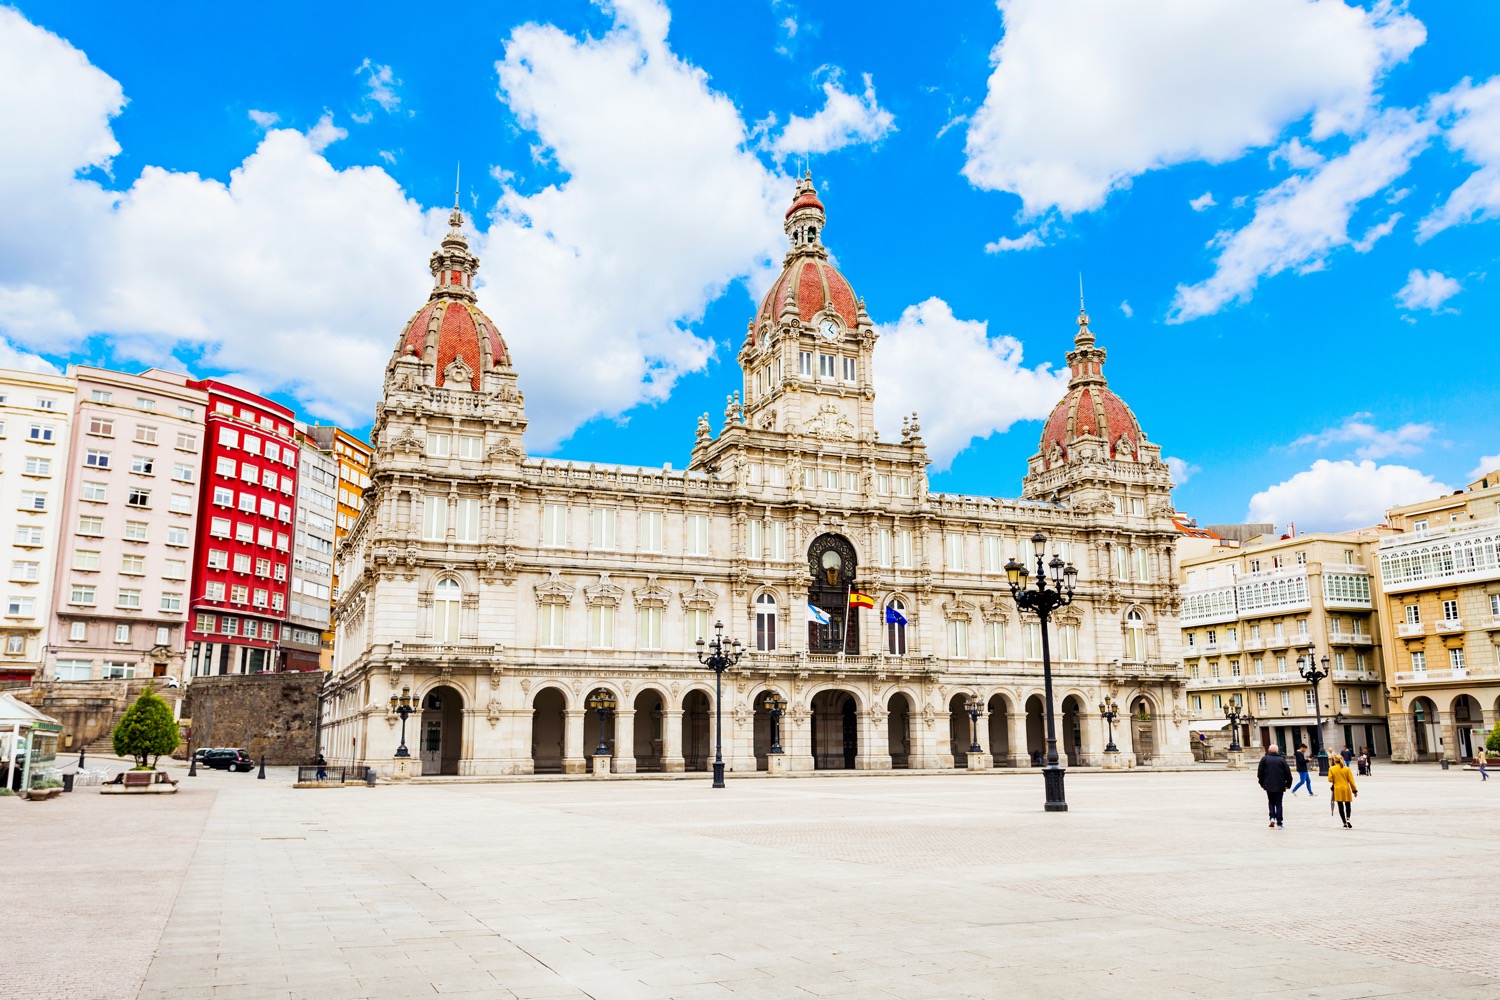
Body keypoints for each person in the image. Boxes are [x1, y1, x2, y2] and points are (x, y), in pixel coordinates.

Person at [1257, 743, 1293, 828]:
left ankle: (1272, 818)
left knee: (1271, 802)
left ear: (1269, 750)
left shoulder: (1264, 759)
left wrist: (1262, 783)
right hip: (1280, 785)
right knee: (1279, 803)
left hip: (1268, 785)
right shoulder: (1282, 760)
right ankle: (1279, 822)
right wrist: (1288, 784)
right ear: (1277, 751)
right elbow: (1288, 773)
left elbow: (1260, 773)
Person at [1328, 754, 1358, 828]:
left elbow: (1330, 779)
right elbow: (1351, 781)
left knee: (1340, 806)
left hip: (1337, 789)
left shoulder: (1332, 769)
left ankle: (1344, 822)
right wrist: (1354, 791)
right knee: (1348, 805)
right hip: (1346, 788)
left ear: (1334, 761)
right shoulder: (1347, 769)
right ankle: (1348, 818)